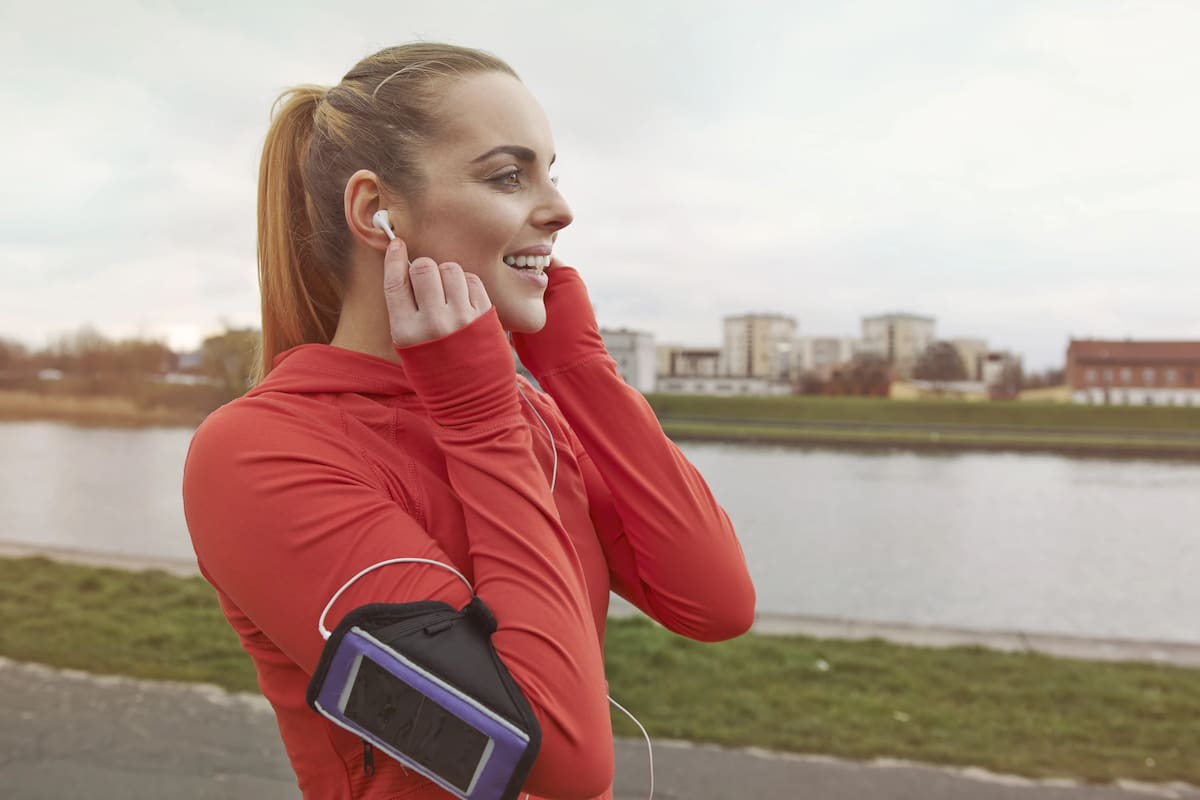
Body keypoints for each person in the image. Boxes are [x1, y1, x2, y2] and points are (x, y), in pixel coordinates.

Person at [182, 42, 756, 800]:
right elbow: (556, 757)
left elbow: (714, 601)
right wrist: (480, 422)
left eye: (552, 174)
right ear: (376, 212)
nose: (560, 210)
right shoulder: (259, 453)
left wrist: (579, 369)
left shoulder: (521, 414)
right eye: (509, 176)